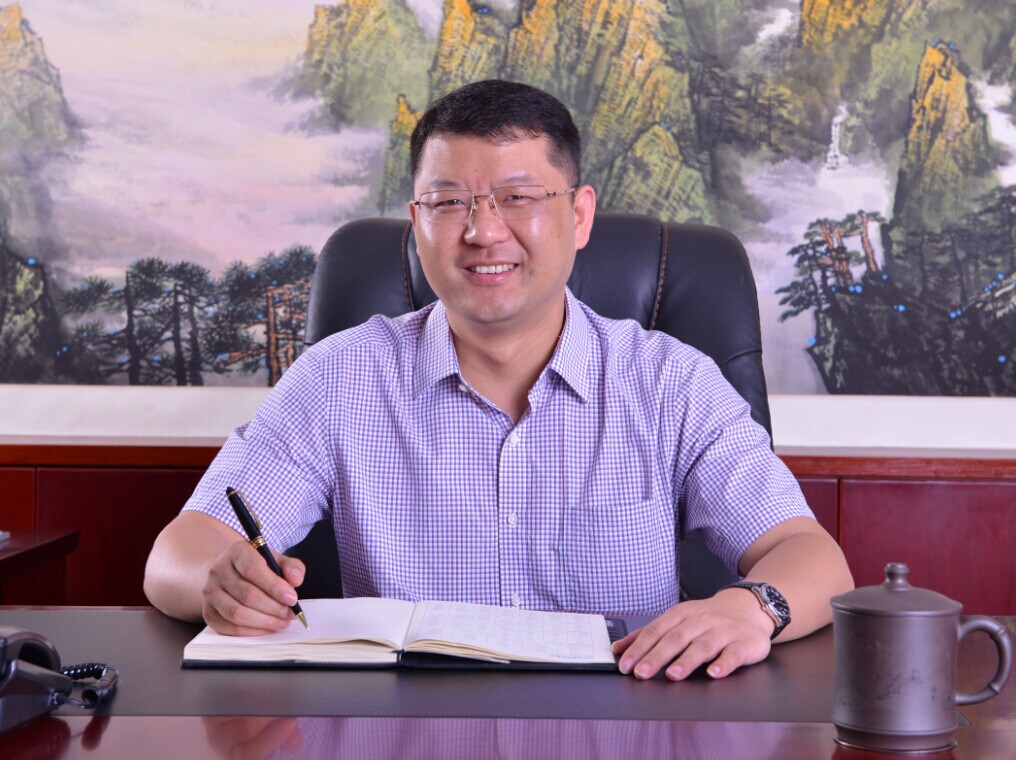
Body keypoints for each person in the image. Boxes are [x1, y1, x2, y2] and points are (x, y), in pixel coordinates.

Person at [144, 79, 852, 682]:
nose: (483, 232)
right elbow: (178, 552)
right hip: (402, 733)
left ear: (579, 215)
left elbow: (813, 557)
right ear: (417, 221)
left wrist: (752, 606)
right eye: (449, 202)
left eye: (518, 198)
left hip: (622, 728)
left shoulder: (671, 384)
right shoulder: (340, 379)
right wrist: (221, 582)